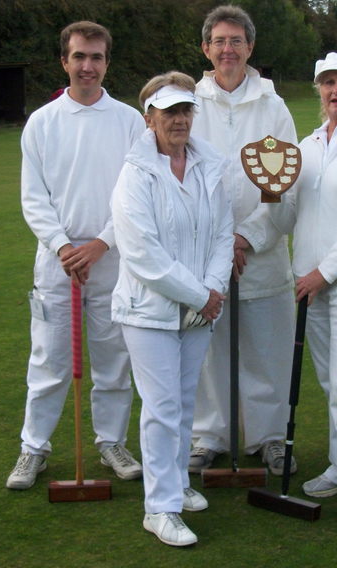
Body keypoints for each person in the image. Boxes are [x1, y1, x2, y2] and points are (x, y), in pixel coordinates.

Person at [239, 51, 337, 538]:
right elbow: (289, 219)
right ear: (319, 90)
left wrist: (325, 273)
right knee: (335, 385)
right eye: (328, 83)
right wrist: (272, 193)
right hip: (310, 283)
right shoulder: (305, 147)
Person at [7, 21, 144, 490]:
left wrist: (102, 243)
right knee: (48, 361)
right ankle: (34, 448)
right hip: (57, 261)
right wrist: (64, 246)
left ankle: (111, 442)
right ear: (64, 61)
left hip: (111, 257)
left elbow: (134, 195)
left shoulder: (129, 120)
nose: (88, 66)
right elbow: (34, 197)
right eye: (79, 56)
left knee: (113, 357)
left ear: (108, 62)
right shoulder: (42, 122)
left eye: (97, 58)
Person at [110, 72, 234, 547]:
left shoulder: (209, 165)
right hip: (149, 312)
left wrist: (213, 287)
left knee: (184, 405)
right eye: (169, 113)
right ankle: (158, 508)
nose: (179, 120)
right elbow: (143, 255)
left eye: (185, 111)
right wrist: (202, 294)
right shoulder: (134, 174)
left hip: (201, 306)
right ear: (150, 119)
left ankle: (177, 484)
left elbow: (223, 232)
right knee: (162, 407)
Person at [189, 5, 299, 476]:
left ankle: (269, 438)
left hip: (263, 255)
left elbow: (285, 187)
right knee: (206, 352)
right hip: (202, 256)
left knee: (267, 350)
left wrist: (247, 237)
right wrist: (217, 243)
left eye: (237, 41)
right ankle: (208, 436)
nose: (228, 49)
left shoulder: (273, 108)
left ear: (250, 48)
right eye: (220, 41)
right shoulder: (187, 105)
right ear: (206, 49)